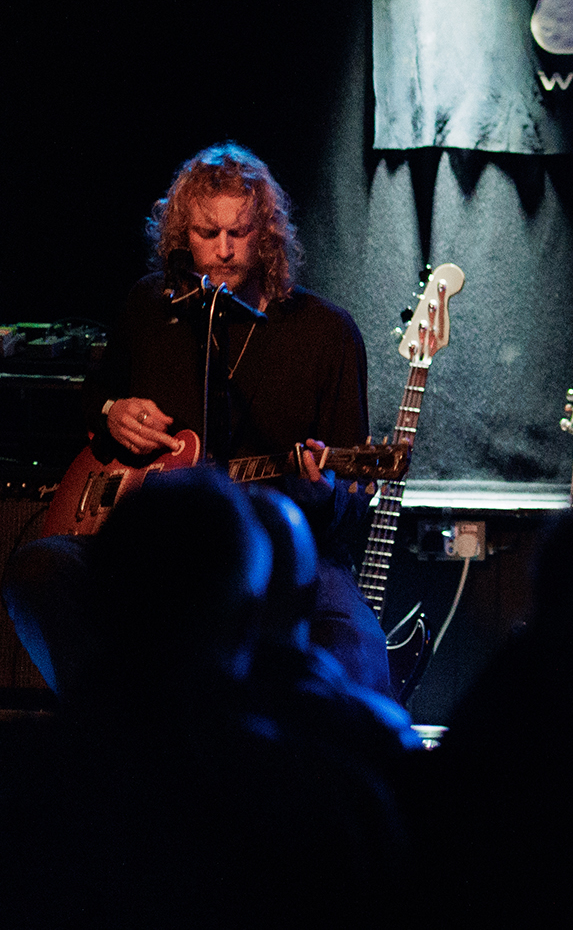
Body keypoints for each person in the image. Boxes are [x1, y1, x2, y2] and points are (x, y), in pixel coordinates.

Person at [4, 141, 391, 697]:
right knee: (37, 570)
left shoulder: (327, 332)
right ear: (182, 234)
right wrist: (112, 413)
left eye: (240, 233)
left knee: (353, 642)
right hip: (146, 544)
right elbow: (96, 394)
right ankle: (110, 714)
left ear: (268, 234)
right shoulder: (149, 306)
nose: (224, 251)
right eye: (208, 234)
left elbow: (351, 504)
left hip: (279, 549)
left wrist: (321, 495)